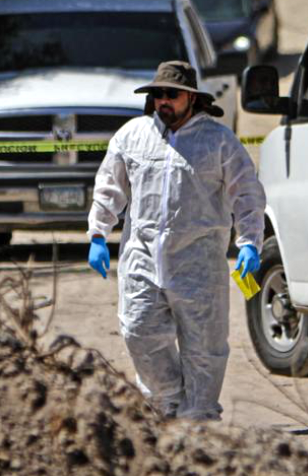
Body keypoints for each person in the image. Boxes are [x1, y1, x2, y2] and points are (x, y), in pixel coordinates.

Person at [86, 61, 266, 421]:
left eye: (171, 94)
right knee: (138, 329)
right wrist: (98, 233)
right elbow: (109, 187)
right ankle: (166, 406)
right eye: (157, 95)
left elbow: (247, 192)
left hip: (198, 265)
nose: (163, 101)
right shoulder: (132, 136)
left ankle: (197, 419)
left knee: (204, 348)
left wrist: (249, 241)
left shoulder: (218, 141)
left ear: (192, 98)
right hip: (142, 260)